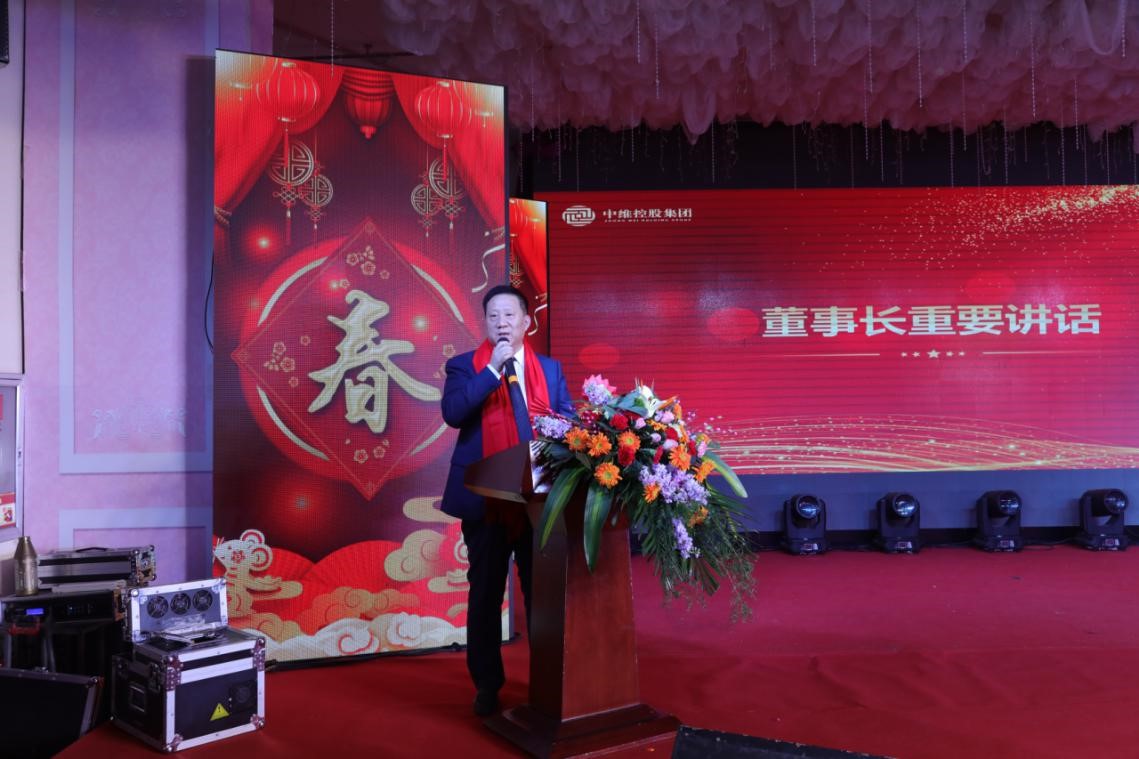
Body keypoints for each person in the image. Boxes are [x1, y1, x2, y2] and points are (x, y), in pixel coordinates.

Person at [440, 284, 574, 717]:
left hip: (540, 499)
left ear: (526, 322)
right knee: (485, 593)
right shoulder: (465, 366)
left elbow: (568, 421)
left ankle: (548, 683)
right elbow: (453, 413)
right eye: (493, 316)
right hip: (486, 500)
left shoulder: (549, 369)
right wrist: (492, 371)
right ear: (484, 322)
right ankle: (487, 686)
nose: (501, 323)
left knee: (542, 595)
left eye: (509, 315)